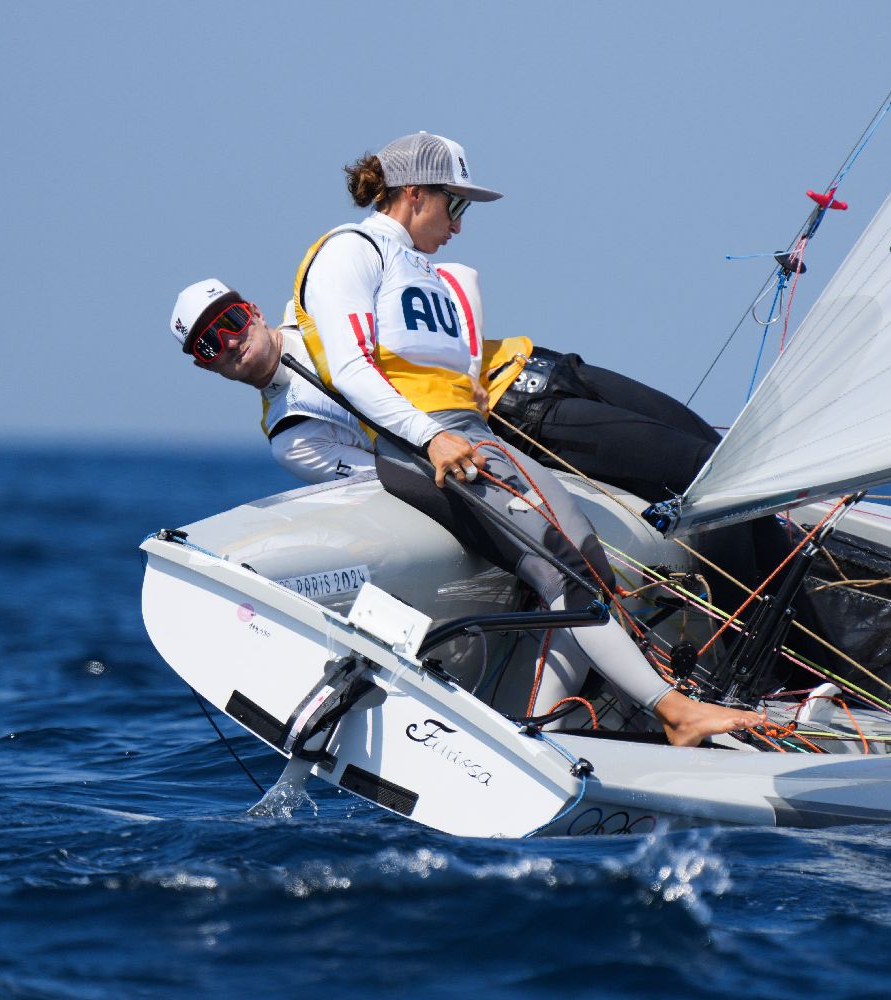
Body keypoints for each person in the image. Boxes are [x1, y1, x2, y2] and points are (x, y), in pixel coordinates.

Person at [289, 130, 760, 746]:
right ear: (413, 193)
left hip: (473, 436)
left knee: (587, 568)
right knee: (565, 571)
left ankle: (550, 734)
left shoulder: (419, 264)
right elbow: (352, 370)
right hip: (424, 448)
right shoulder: (349, 251)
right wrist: (429, 437)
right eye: (454, 204)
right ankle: (675, 714)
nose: (459, 224)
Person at [169, 279, 375, 483]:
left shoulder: (312, 298)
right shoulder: (291, 442)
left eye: (231, 320)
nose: (230, 342)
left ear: (256, 313)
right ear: (206, 365)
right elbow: (382, 479)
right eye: (210, 344)